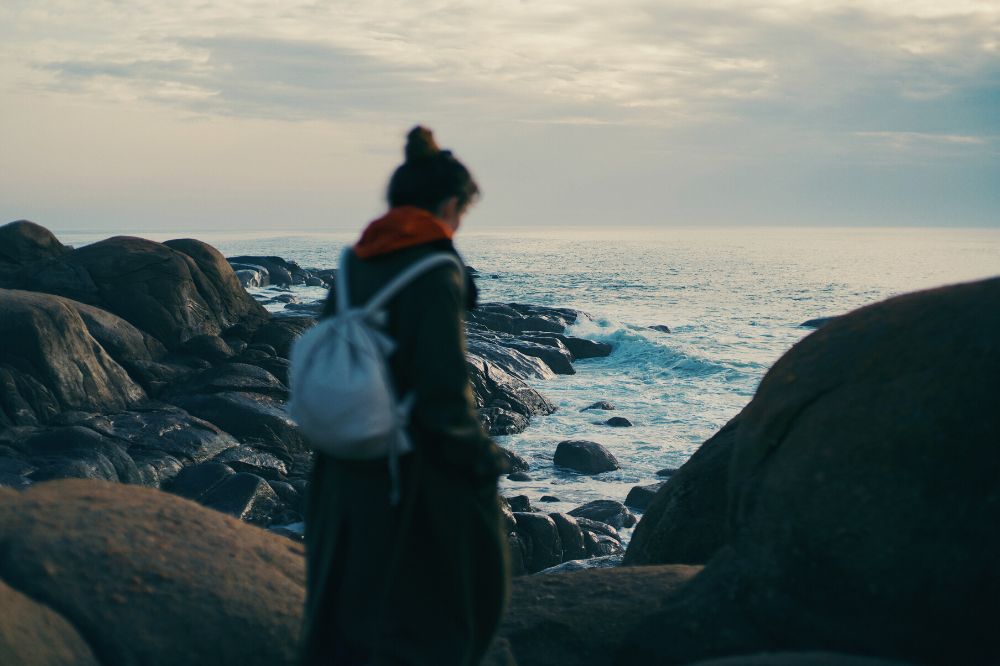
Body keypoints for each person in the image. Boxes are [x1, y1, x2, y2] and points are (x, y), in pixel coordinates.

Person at [299, 126, 511, 665]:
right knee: (449, 602)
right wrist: (483, 461)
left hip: (343, 462)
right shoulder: (437, 269)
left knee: (349, 615)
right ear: (449, 205)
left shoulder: (356, 260)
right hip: (407, 469)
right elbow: (442, 392)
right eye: (463, 212)